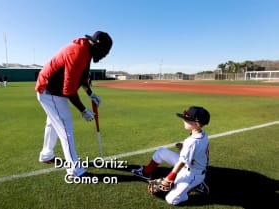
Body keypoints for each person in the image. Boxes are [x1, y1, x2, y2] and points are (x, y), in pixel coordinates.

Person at [35, 31, 113, 178]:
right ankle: (75, 170)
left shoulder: (86, 52)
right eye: (104, 52)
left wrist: (90, 94)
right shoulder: (77, 53)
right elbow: (69, 90)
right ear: (96, 46)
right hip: (49, 91)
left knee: (52, 124)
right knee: (65, 128)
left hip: (55, 91)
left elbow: (82, 78)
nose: (104, 56)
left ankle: (46, 155)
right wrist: (83, 110)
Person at [132, 106, 211, 205]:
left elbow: (181, 162)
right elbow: (196, 151)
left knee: (171, 199)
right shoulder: (202, 134)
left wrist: (168, 178)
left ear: (196, 124)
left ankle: (195, 185)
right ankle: (146, 172)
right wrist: (183, 147)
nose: (183, 120)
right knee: (161, 152)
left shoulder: (192, 142)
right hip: (192, 165)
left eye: (186, 119)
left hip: (193, 174)